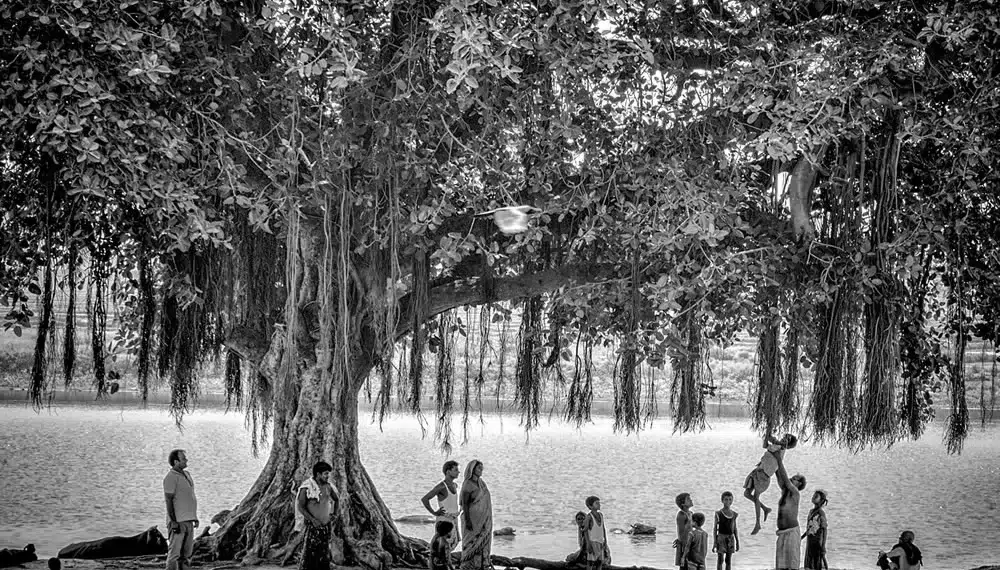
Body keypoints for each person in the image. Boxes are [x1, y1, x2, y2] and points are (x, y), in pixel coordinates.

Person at [743, 433, 797, 535]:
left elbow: (769, 441)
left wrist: (769, 433)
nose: (783, 440)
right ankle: (765, 508)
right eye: (784, 438)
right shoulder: (778, 446)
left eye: (786, 440)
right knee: (746, 494)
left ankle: (758, 523)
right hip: (757, 472)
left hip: (763, 476)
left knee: (756, 497)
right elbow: (765, 443)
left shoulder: (780, 448)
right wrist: (769, 430)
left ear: (788, 445)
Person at [295, 461, 339, 570]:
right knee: (310, 554)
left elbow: (336, 499)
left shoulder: (328, 487)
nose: (328, 476)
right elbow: (301, 506)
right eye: (325, 473)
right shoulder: (307, 487)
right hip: (312, 526)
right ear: (318, 474)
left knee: (324, 553)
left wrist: (334, 514)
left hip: (325, 525)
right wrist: (313, 520)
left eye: (328, 473)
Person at [163, 449, 199, 570]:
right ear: (176, 461)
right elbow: (169, 500)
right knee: (174, 553)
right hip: (178, 521)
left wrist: (195, 517)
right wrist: (173, 521)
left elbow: (189, 497)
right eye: (183, 459)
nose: (186, 460)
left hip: (189, 520)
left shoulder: (187, 474)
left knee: (187, 554)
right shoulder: (170, 477)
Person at [773, 449, 806, 570]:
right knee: (781, 566)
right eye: (794, 477)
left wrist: (778, 459)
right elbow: (778, 473)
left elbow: (785, 479)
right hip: (782, 532)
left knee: (791, 565)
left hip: (791, 532)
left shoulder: (795, 492)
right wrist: (774, 458)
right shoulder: (785, 490)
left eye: (796, 479)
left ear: (799, 484)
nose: (793, 478)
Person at [460, 460, 493, 570]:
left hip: (483, 520)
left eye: (482, 468)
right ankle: (468, 566)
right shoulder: (467, 484)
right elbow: (464, 504)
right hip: (472, 521)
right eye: (479, 468)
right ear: (472, 469)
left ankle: (483, 564)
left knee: (483, 542)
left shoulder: (481, 483)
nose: (481, 471)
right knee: (470, 543)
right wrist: (468, 521)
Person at [422, 460, 462, 551]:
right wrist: (434, 513)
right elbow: (425, 499)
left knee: (454, 542)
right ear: (448, 472)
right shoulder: (441, 487)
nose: (458, 472)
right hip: (444, 520)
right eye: (455, 470)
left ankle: (446, 561)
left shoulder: (455, 485)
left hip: (454, 519)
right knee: (443, 544)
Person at [712, 492, 740, 570]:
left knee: (728, 560)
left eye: (730, 499)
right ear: (722, 500)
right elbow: (715, 529)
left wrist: (737, 541)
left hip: (730, 538)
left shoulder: (734, 514)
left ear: (732, 501)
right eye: (726, 499)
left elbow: (735, 528)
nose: (728, 501)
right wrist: (714, 542)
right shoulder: (718, 513)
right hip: (721, 537)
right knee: (720, 560)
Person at [802, 490, 828, 570]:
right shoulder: (811, 512)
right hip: (810, 542)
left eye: (816, 496)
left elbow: (824, 530)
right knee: (809, 563)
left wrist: (823, 546)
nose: (813, 497)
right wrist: (801, 537)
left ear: (821, 501)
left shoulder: (821, 513)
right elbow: (809, 528)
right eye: (813, 495)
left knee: (818, 561)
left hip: (817, 543)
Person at [583, 496, 610, 570]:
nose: (599, 505)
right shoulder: (589, 517)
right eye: (596, 503)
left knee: (599, 561)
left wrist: (605, 540)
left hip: (600, 541)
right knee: (591, 562)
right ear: (590, 506)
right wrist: (588, 544)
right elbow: (585, 531)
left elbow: (603, 528)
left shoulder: (601, 515)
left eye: (599, 503)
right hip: (593, 542)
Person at [672, 493, 693, 569]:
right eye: (688, 499)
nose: (691, 500)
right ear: (683, 504)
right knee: (684, 566)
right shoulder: (681, 515)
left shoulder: (690, 513)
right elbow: (681, 532)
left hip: (690, 543)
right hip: (684, 544)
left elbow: (692, 528)